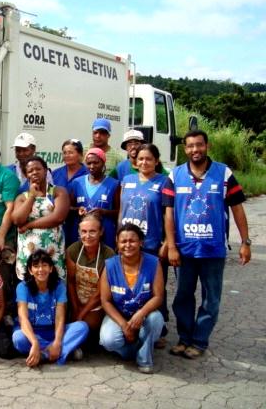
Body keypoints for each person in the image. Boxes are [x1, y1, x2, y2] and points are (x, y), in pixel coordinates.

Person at [163, 129, 251, 359]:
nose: (195, 150)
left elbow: (238, 208)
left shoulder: (223, 174)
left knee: (211, 298)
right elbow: (169, 214)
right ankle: (184, 338)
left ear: (207, 146)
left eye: (199, 145)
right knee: (183, 296)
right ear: (185, 149)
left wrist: (245, 241)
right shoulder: (175, 175)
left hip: (213, 250)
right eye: (190, 146)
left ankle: (199, 341)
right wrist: (171, 246)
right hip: (185, 250)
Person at [120, 143, 169, 346]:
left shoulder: (164, 182)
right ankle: (131, 323)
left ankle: (159, 329)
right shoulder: (127, 180)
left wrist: (167, 242)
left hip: (151, 245)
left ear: (156, 161)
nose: (144, 162)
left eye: (148, 159)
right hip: (127, 244)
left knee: (156, 289)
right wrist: (118, 237)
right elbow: (121, 211)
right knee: (131, 286)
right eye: (140, 159)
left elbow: (168, 214)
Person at [99, 224, 164, 374]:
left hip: (145, 315)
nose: (127, 245)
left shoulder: (153, 263)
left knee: (155, 320)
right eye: (123, 241)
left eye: (132, 241)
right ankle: (134, 351)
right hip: (119, 315)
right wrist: (123, 325)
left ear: (141, 242)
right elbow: (105, 301)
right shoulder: (110, 265)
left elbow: (158, 296)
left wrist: (140, 314)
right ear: (117, 242)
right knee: (108, 340)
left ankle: (144, 358)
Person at [12, 249, 89, 367]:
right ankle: (65, 350)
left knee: (82, 327)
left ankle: (44, 355)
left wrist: (57, 342)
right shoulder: (23, 287)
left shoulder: (59, 286)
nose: (41, 269)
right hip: (32, 332)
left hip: (53, 331)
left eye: (44, 265)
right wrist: (34, 342)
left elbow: (60, 318)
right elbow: (23, 318)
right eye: (36, 266)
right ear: (30, 270)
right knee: (18, 338)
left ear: (51, 268)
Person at [12, 156, 69, 280]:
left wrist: (29, 225)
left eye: (38, 169)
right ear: (26, 175)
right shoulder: (23, 197)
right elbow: (17, 219)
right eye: (30, 171)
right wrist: (32, 196)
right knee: (30, 285)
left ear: (46, 170)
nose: (34, 172)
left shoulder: (58, 192)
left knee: (54, 283)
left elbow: (58, 218)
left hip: (53, 250)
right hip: (29, 251)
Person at [65, 212, 115, 338]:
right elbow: (70, 282)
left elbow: (100, 292)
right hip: (76, 299)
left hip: (97, 303)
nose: (87, 236)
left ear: (101, 232)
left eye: (92, 231)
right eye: (84, 231)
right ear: (79, 232)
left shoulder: (109, 255)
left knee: (87, 324)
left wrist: (82, 314)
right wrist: (76, 308)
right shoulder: (73, 250)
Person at [71, 147, 120, 248]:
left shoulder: (114, 184)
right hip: (83, 234)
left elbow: (119, 211)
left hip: (106, 233)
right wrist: (77, 209)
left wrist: (104, 212)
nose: (92, 166)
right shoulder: (77, 183)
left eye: (96, 163)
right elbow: (68, 207)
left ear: (103, 163)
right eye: (88, 163)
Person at [51, 139, 88, 247]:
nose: (67, 155)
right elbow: (50, 194)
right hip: (58, 221)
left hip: (79, 221)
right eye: (65, 153)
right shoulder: (55, 174)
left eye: (71, 152)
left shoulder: (88, 173)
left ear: (80, 154)